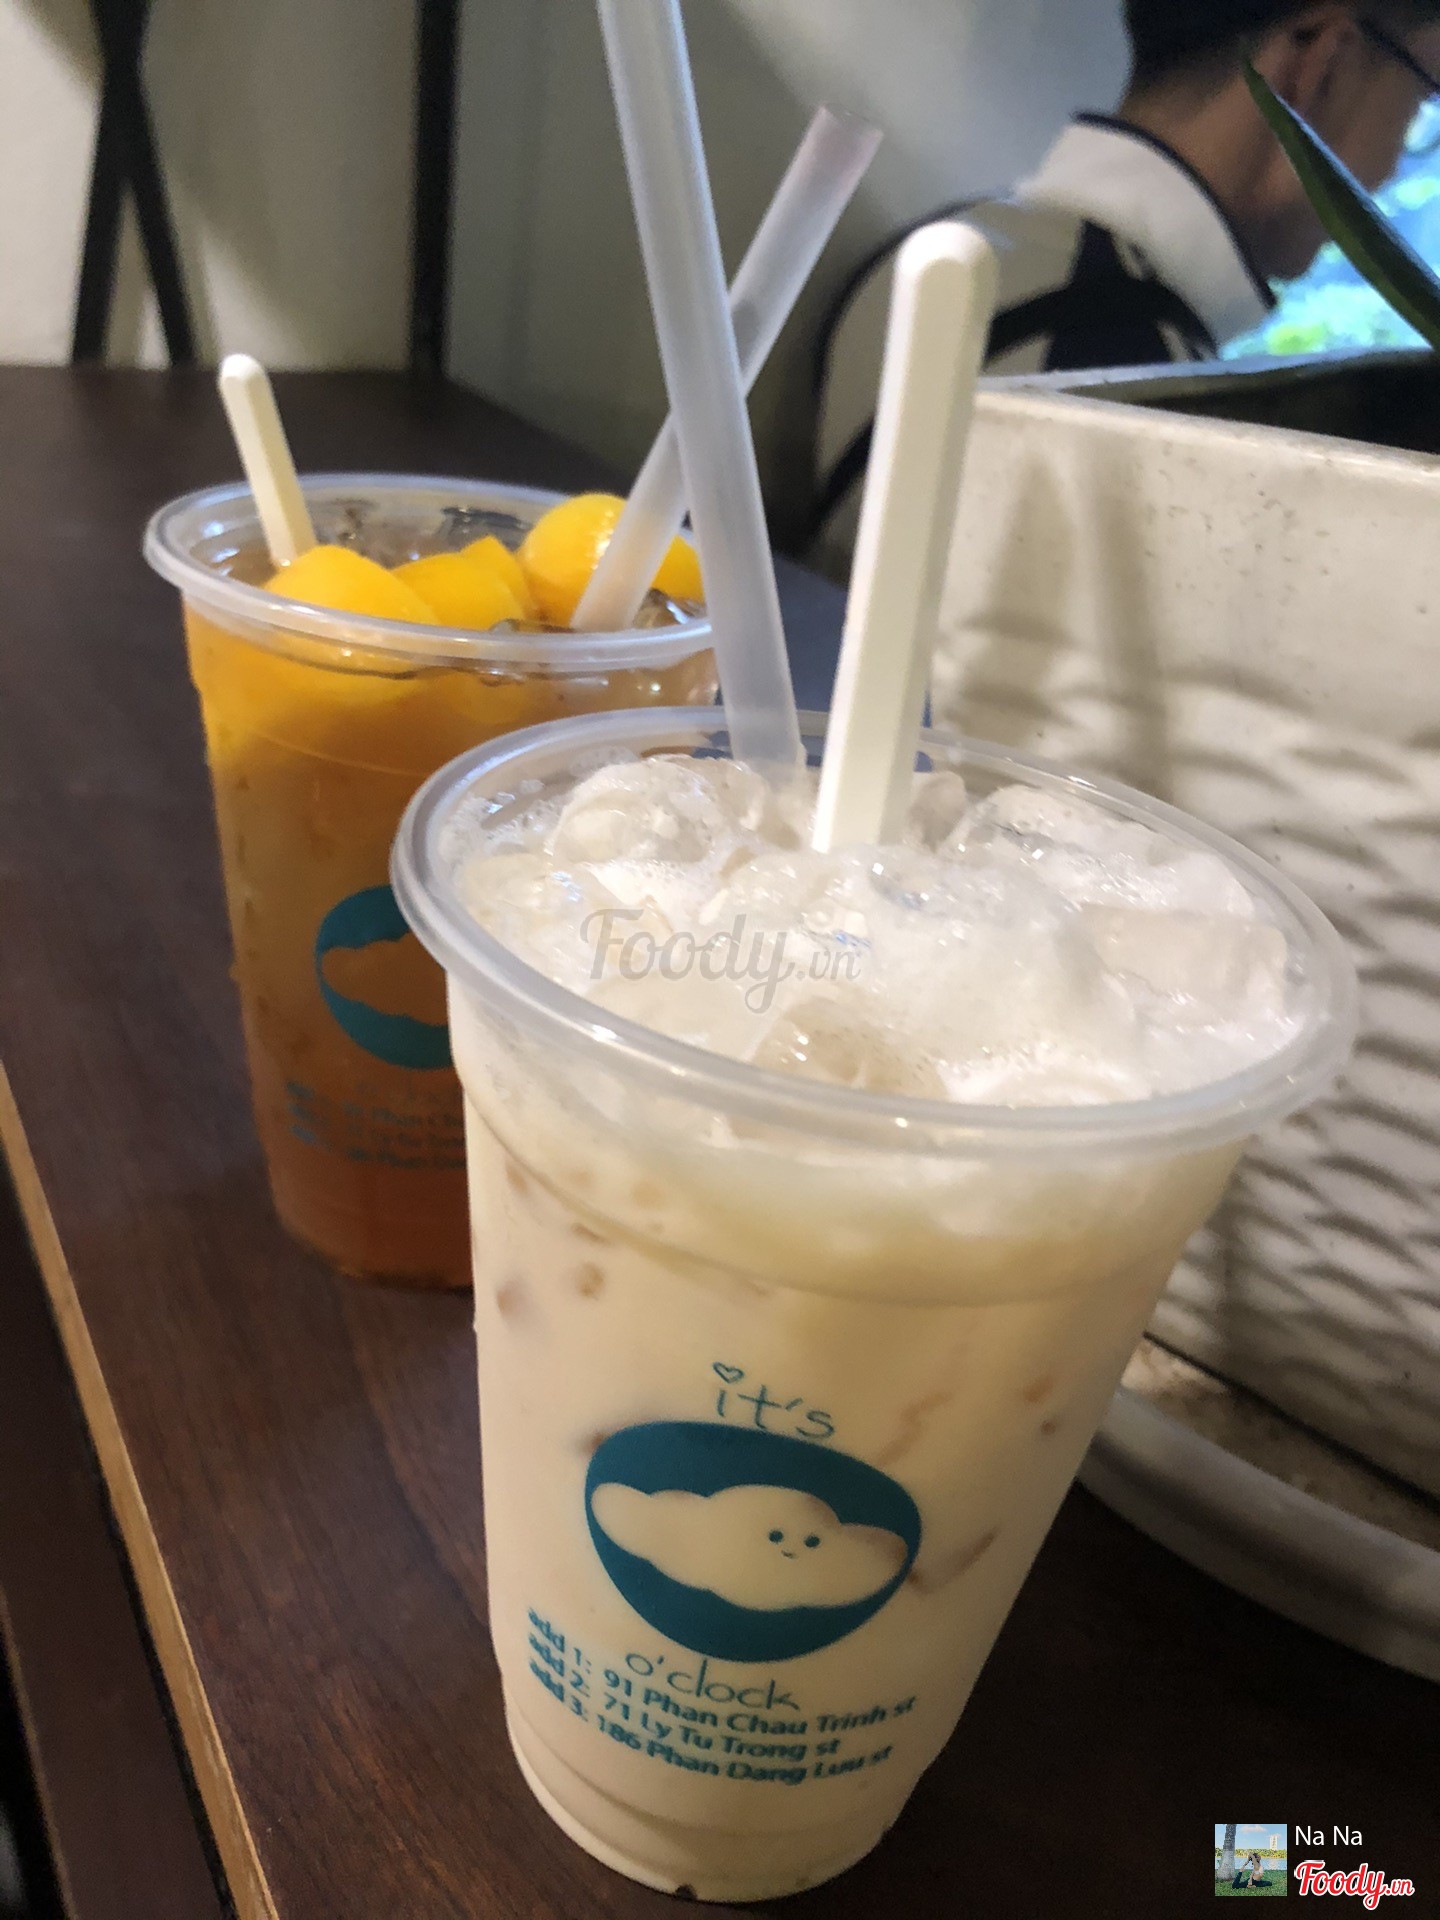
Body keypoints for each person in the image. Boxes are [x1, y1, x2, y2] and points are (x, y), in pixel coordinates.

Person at [811, 0, 1440, 568]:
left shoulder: (960, 249)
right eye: (1419, 100)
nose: (1390, 171)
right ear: (1327, 62)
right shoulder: (1116, 368)